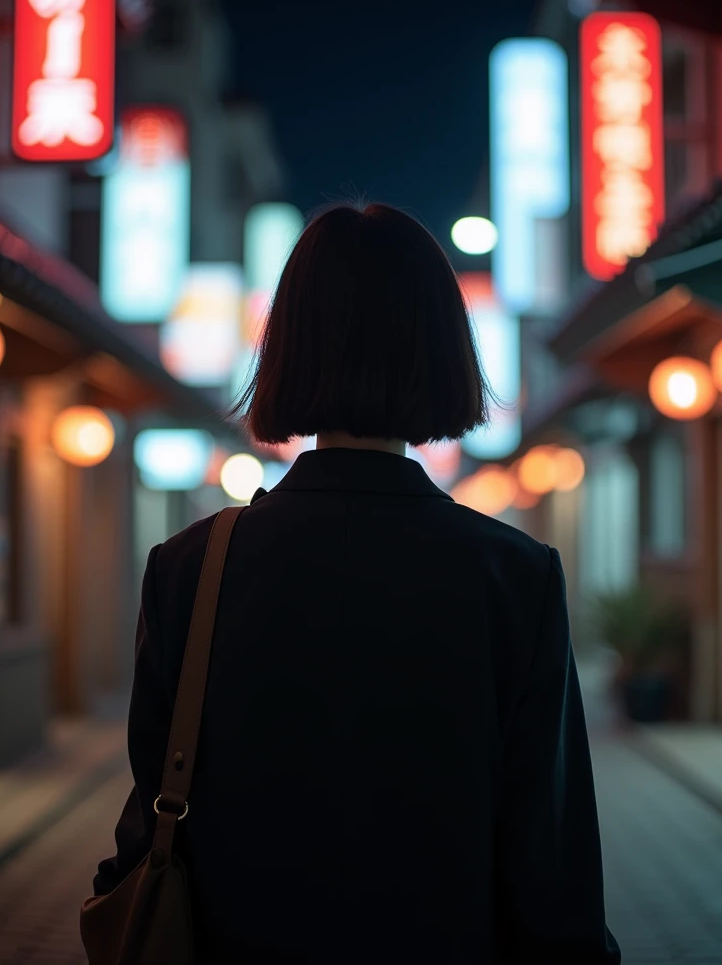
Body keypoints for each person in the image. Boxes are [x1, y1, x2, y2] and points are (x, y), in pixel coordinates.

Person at [93, 202, 621, 964]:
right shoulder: (513, 575)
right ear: (441, 348)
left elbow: (147, 825)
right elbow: (550, 857)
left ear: (288, 347)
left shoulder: (191, 568)